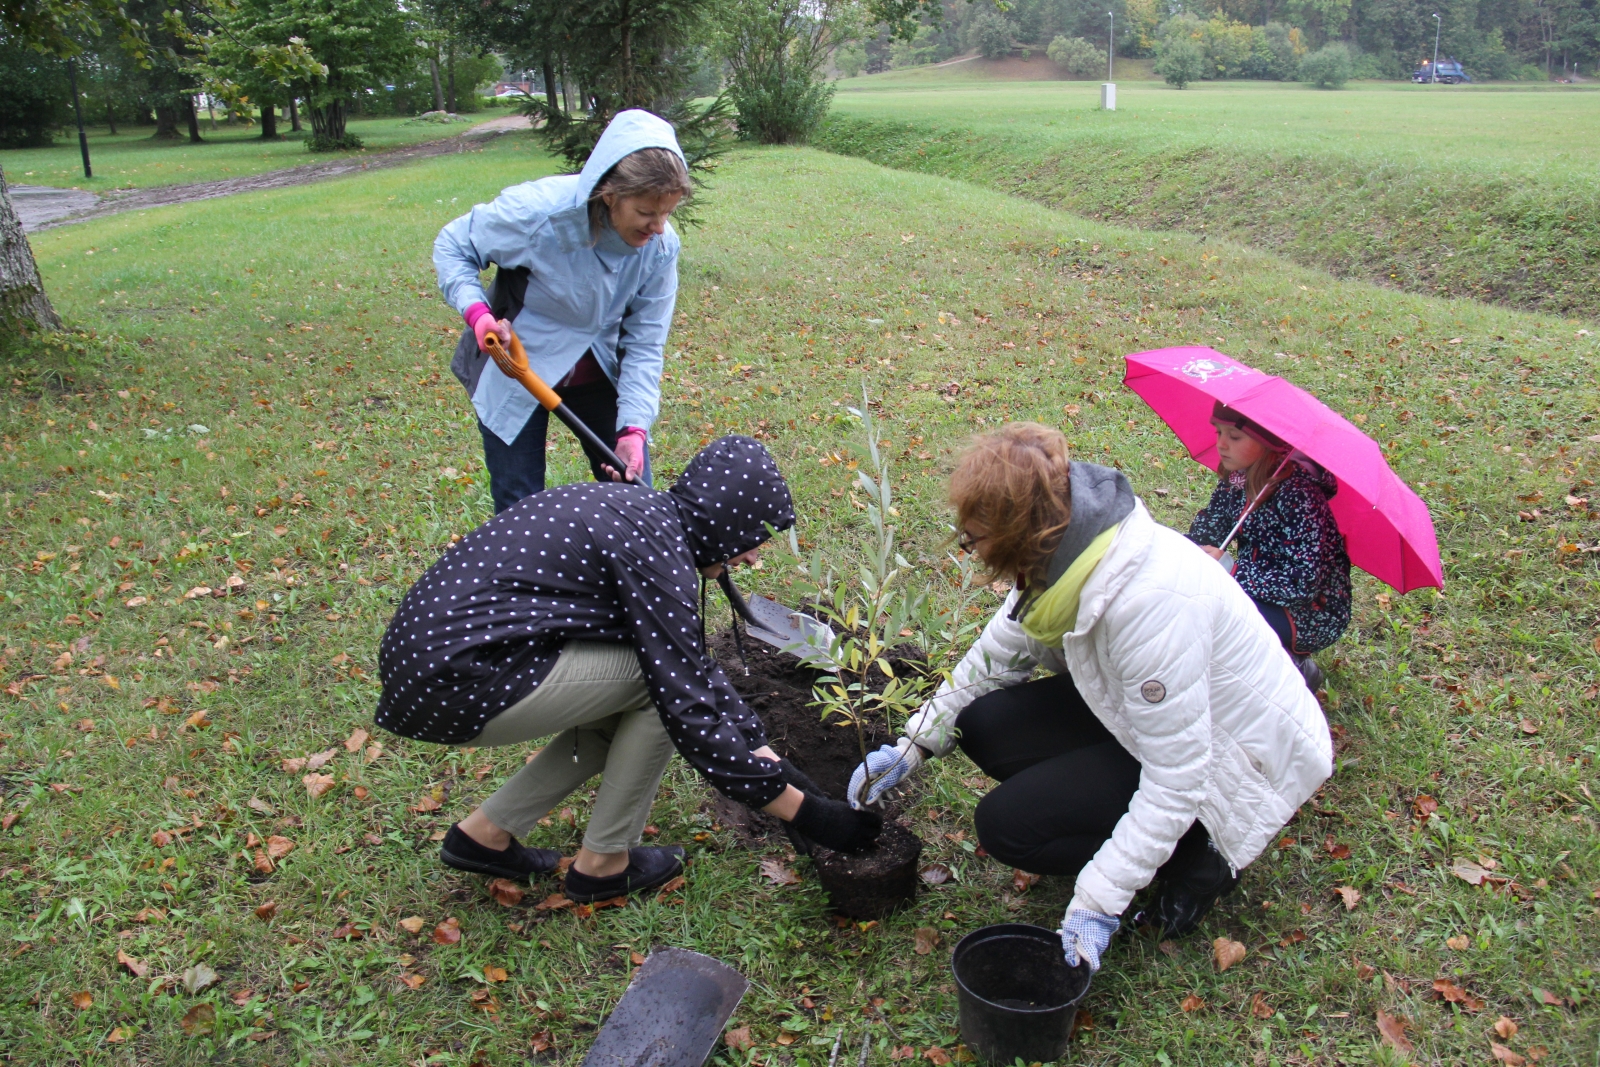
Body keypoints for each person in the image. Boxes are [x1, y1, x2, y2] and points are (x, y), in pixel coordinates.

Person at [846, 423, 1332, 974]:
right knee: (982, 723)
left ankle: (1195, 858)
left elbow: (1179, 776)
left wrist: (1099, 901)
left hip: (1237, 761)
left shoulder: (1147, 607)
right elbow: (994, 657)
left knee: (1006, 826)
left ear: (1018, 534)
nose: (972, 551)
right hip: (1156, 716)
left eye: (975, 539)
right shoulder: (1064, 550)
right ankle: (1113, 818)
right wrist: (912, 747)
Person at [375, 436, 881, 901]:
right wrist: (810, 815)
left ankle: (485, 835)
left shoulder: (647, 519)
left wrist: (771, 758)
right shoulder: (659, 557)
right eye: (752, 539)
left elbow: (693, 664)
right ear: (725, 521)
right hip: (458, 681)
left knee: (643, 682)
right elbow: (689, 709)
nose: (750, 559)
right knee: (653, 689)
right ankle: (603, 866)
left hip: (435, 667)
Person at [434, 109, 688, 512]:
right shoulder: (537, 213)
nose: (658, 227)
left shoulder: (660, 248)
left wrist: (634, 428)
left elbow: (645, 343)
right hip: (516, 367)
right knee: (520, 510)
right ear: (610, 194)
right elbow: (454, 245)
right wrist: (477, 313)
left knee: (637, 502)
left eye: (667, 213)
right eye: (645, 213)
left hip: (598, 373)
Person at [1187, 402, 1352, 691]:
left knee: (1222, 612)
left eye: (1235, 437)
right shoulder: (1237, 480)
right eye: (1218, 432)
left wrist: (1232, 570)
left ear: (1268, 444)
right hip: (1258, 587)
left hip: (1310, 611)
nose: (1222, 444)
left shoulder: (1301, 498)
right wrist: (1193, 549)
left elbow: (1302, 583)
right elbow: (1211, 528)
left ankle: (1293, 667)